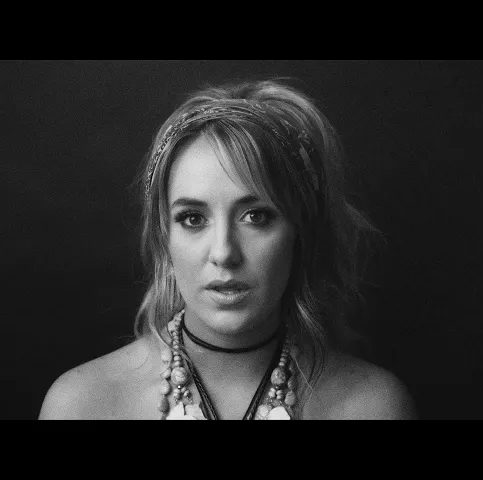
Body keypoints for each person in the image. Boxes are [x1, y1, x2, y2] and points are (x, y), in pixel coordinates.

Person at [39, 79, 416, 420]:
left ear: (300, 232)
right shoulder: (82, 404)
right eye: (193, 218)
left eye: (256, 216)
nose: (223, 253)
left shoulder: (373, 407)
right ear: (164, 237)